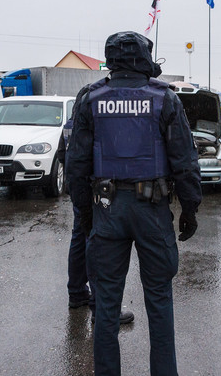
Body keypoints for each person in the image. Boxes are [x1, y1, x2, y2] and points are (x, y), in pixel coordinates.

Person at [66, 31, 202, 376]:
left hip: (106, 209)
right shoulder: (164, 98)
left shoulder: (90, 98)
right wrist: (189, 208)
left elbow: (76, 165)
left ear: (111, 59)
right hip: (152, 210)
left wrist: (84, 214)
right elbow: (184, 159)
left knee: (107, 307)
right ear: (144, 58)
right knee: (159, 302)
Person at [56, 87, 134, 325]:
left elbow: (62, 156)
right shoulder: (96, 123)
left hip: (76, 190)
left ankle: (77, 293)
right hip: (95, 191)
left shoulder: (68, 125)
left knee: (78, 238)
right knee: (96, 244)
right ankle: (100, 305)